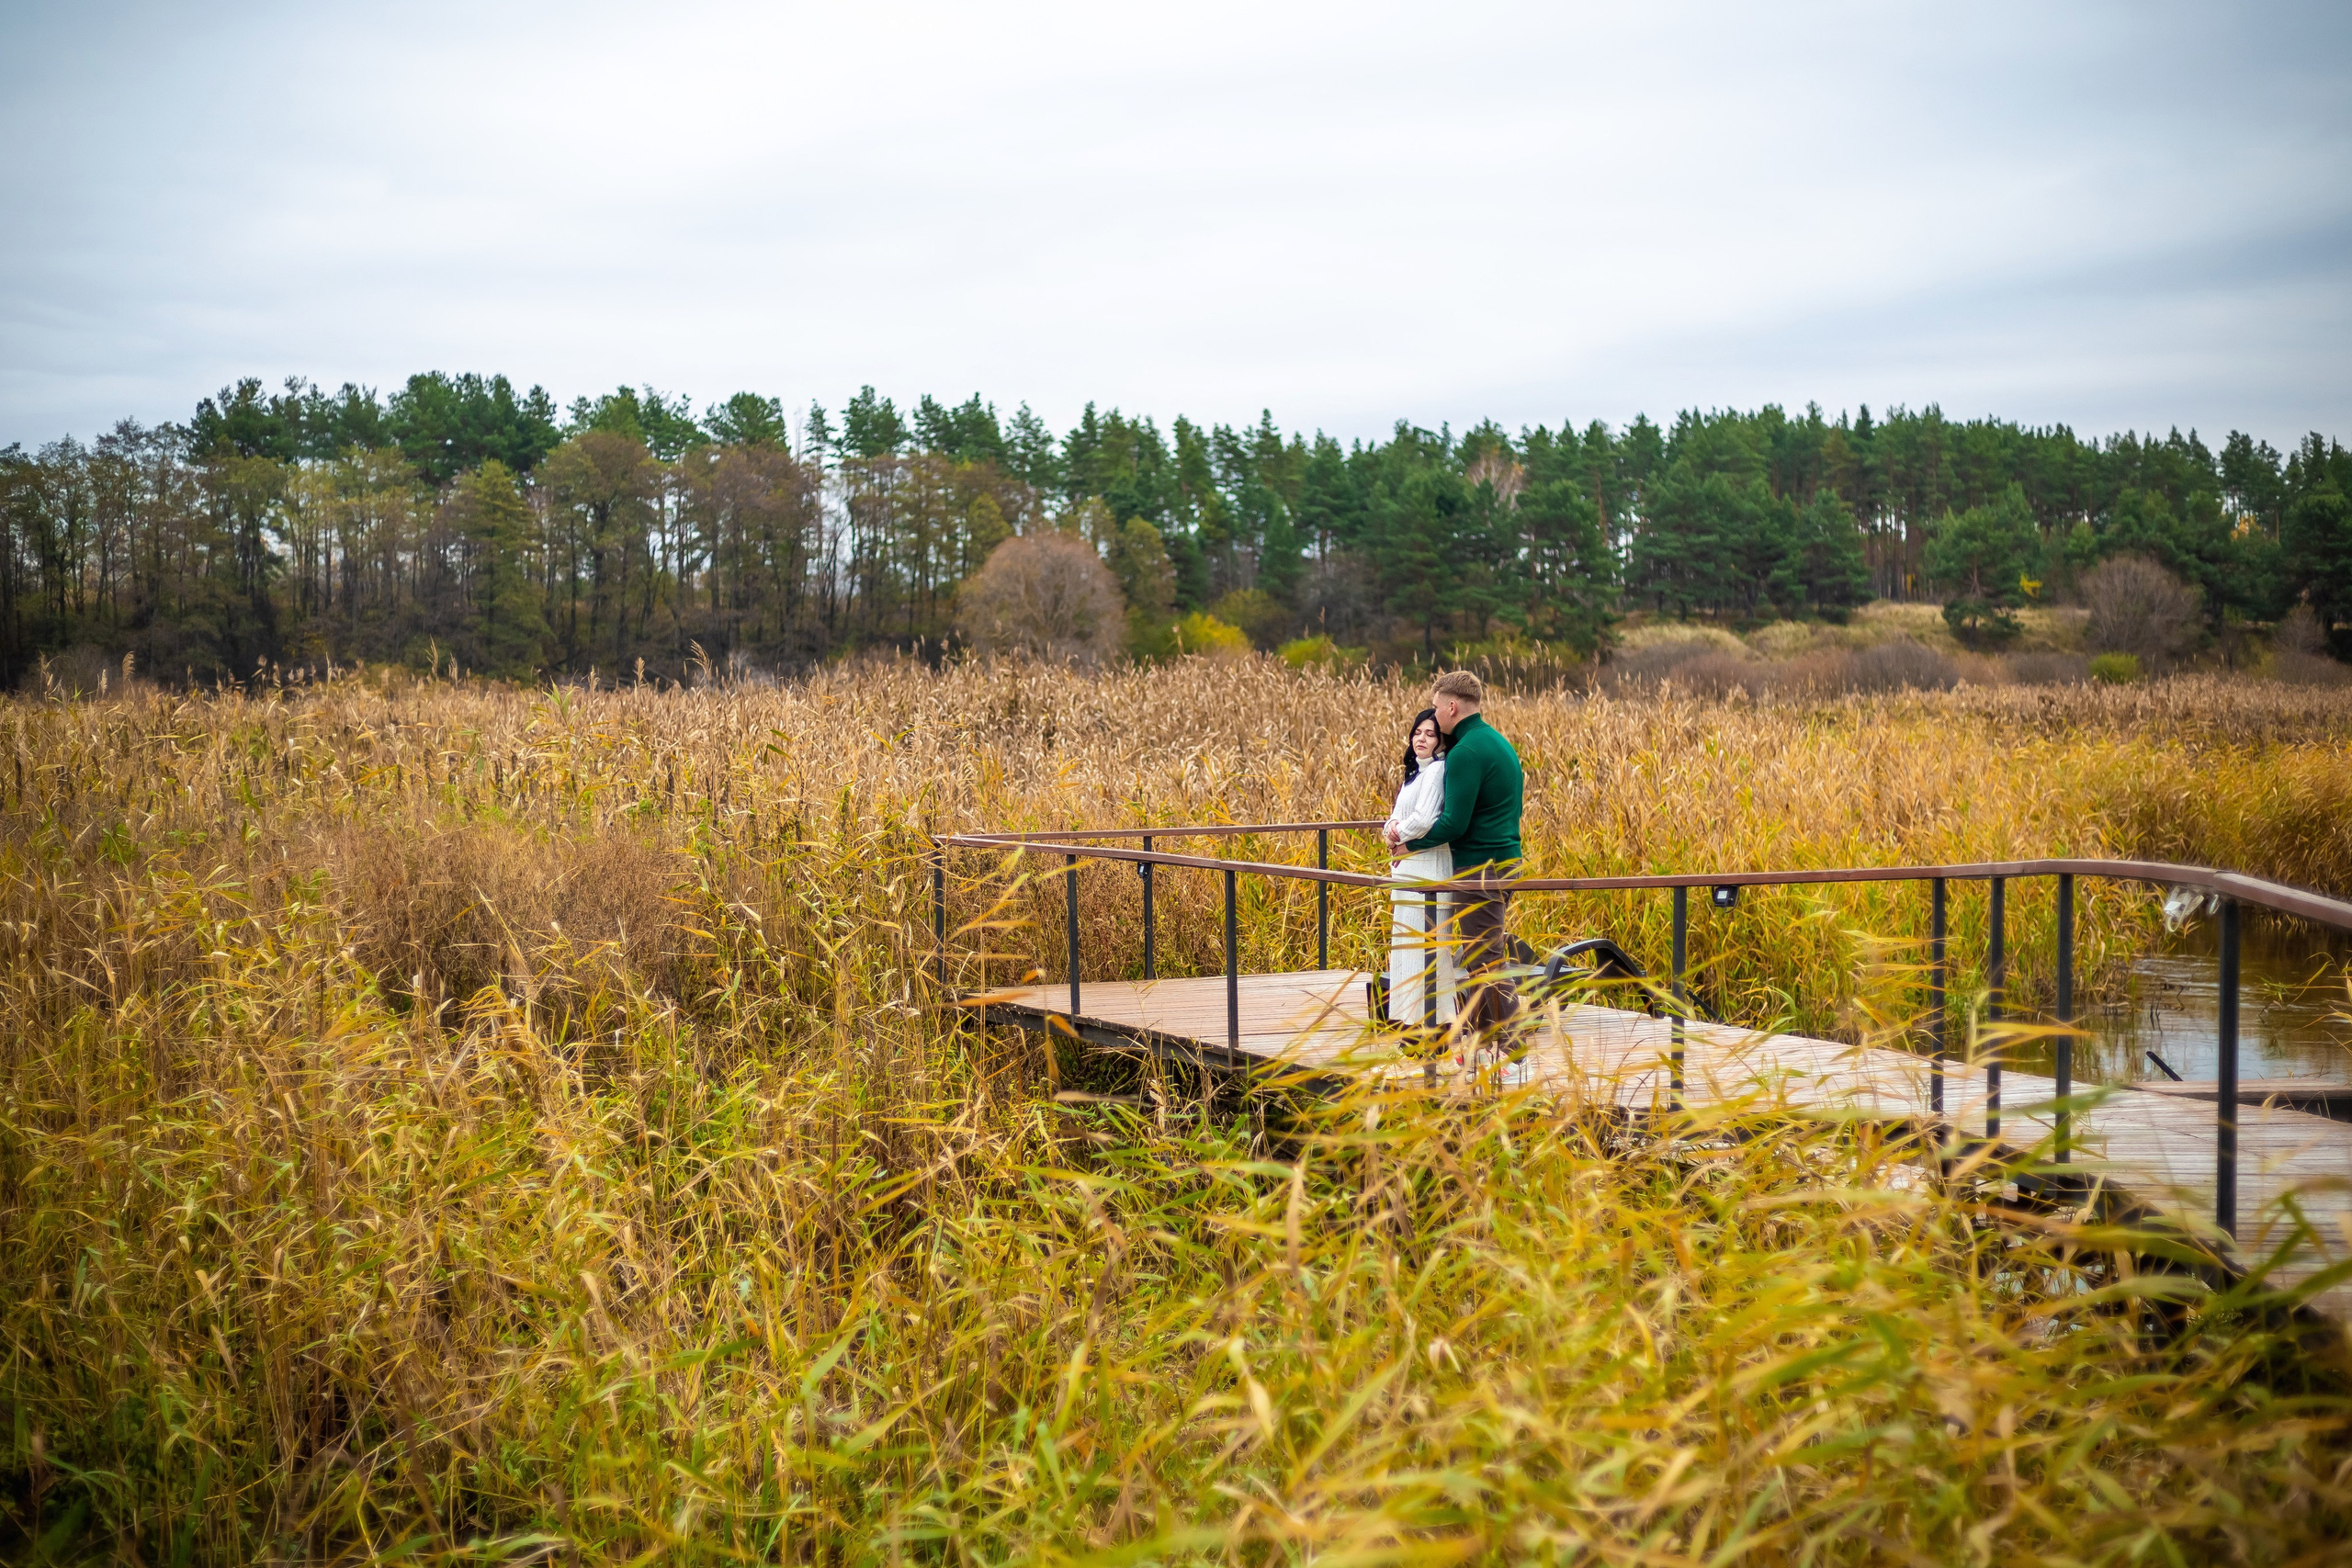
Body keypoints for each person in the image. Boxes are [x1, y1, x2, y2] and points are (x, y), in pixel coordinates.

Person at [1385, 670, 1524, 1051]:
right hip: (1504, 859)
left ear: (1450, 706)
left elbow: (1453, 823)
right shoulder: (1495, 742)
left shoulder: (1466, 752)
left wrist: (1409, 847)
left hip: (1482, 866)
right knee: (1482, 952)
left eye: (1435, 707)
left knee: (1484, 957)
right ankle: (1485, 1042)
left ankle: (1510, 1046)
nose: (1433, 715)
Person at [1383, 708, 1459, 1027]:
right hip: (1408, 871)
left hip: (1428, 869)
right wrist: (1389, 831)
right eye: (1417, 733)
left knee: (1428, 950)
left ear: (1441, 741)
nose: (1421, 739)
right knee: (1406, 950)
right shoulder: (1414, 774)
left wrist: (1398, 834)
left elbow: (1426, 819)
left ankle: (1440, 1027)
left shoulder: (1438, 770)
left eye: (1429, 734)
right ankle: (1411, 1026)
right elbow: (1396, 815)